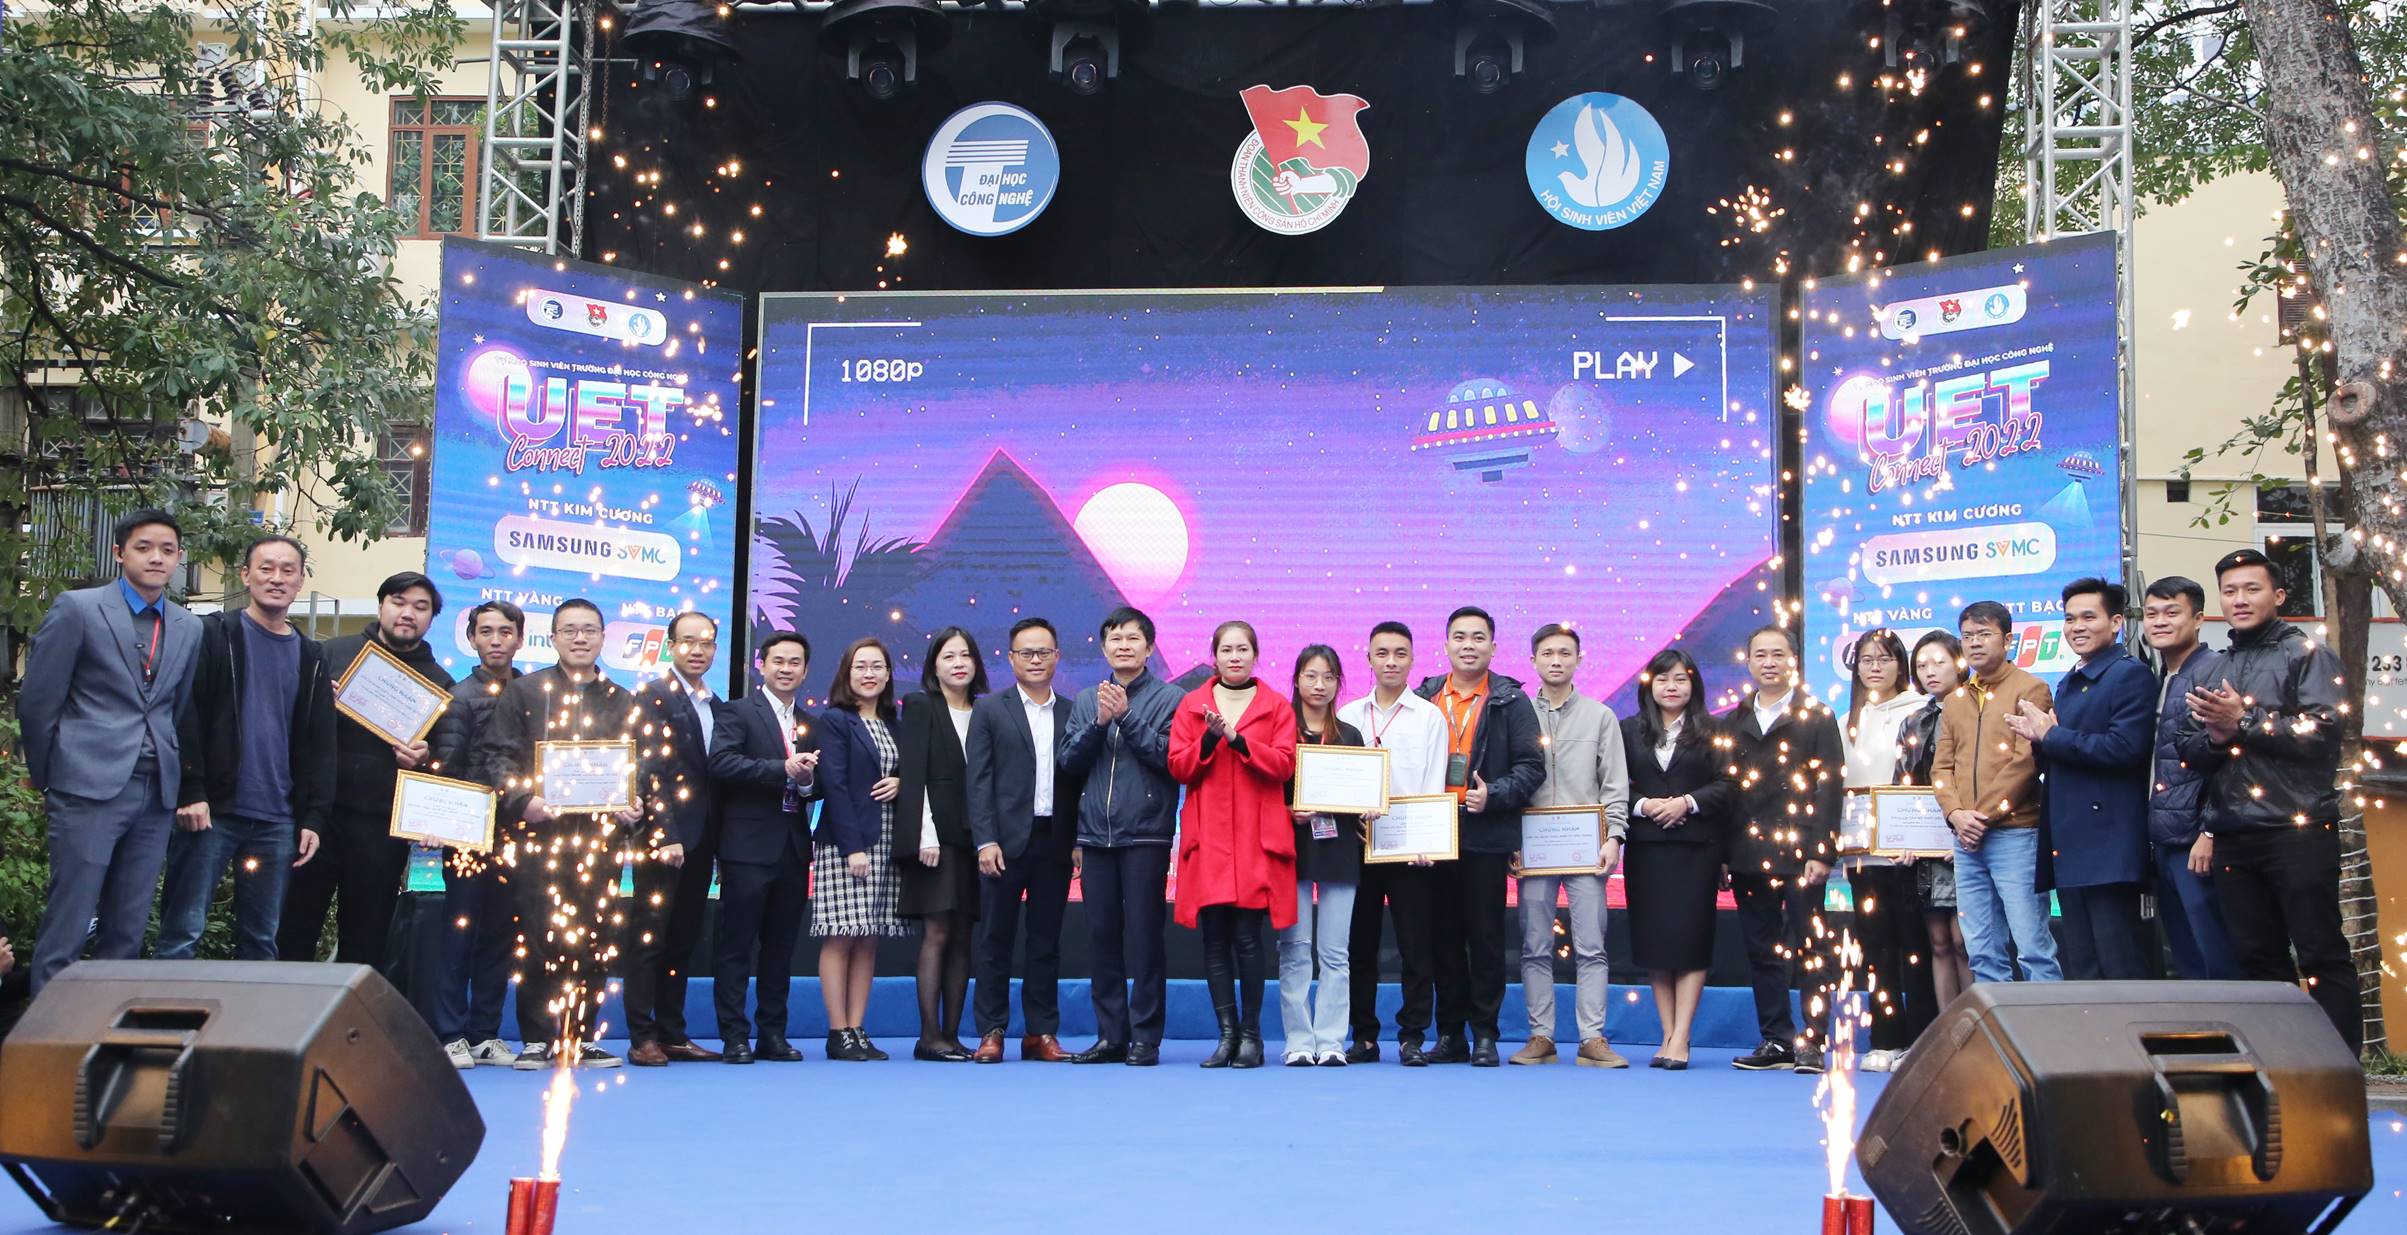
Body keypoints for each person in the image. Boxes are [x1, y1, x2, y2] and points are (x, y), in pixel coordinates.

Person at [2176, 549, 2360, 1054]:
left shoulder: (2307, 654)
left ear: (2278, 595)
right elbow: (2188, 750)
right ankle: (2283, 1066)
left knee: (2320, 954)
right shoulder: (2215, 666)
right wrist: (2218, 738)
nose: (2239, 599)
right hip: (2234, 834)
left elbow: (2324, 732)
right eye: (2230, 591)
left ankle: (2339, 1068)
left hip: (2298, 828)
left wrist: (2244, 722)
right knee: (2257, 959)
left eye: (2251, 589)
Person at [18, 509, 203, 992]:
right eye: (144, 547)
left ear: (179, 558)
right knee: (70, 918)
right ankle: (50, 1027)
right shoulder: (78, 608)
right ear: (119, 553)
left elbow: (176, 706)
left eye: (167, 550)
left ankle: (105, 1023)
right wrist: (50, 777)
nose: (156, 558)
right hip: (85, 785)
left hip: (155, 791)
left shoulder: (188, 626)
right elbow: (38, 702)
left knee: (128, 926)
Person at [477, 597, 637, 1070]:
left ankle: (580, 1036)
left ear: (603, 638)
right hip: (539, 837)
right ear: (553, 638)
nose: (579, 638)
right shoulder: (525, 692)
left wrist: (634, 803)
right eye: (569, 630)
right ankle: (537, 1037)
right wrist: (522, 800)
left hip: (600, 839)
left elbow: (641, 763)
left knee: (594, 935)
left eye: (589, 630)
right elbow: (497, 756)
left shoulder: (623, 699)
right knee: (537, 932)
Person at [158, 535, 334, 962]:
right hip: (213, 811)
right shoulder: (213, 635)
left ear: (301, 581)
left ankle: (250, 1012)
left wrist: (313, 816)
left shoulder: (311, 655)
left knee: (261, 942)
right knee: (182, 932)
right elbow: (186, 715)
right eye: (266, 568)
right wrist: (191, 790)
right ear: (246, 575)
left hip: (278, 819)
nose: (276, 578)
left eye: (287, 570)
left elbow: (321, 744)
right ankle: (165, 1006)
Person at [278, 570, 454, 969]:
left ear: (431, 619)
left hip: (381, 828)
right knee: (293, 929)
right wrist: (317, 704)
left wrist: (424, 759)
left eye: (420, 607)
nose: (407, 613)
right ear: (380, 606)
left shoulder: (440, 684)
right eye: (398, 602)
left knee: (366, 940)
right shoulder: (331, 653)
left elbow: (443, 760)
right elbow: (289, 724)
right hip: (316, 819)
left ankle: (351, 1012)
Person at [1414, 606, 1545, 1068]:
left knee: (1486, 939)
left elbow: (1532, 766)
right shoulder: (1425, 697)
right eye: (1459, 637)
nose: (1468, 646)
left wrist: (1495, 795)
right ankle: (1450, 1034)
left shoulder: (1511, 700)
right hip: (1431, 832)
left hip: (1485, 833)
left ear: (1493, 646)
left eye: (1477, 638)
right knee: (1442, 939)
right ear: (1446, 645)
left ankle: (1486, 1033)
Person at [2007, 578, 2157, 981]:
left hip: (2109, 845)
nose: (2077, 627)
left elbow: (2125, 748)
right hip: (2070, 841)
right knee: (2084, 967)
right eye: (2070, 618)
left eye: (2089, 617)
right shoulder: (2070, 680)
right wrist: (2038, 740)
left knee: (2118, 964)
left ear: (2116, 623)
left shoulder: (2129, 675)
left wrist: (2052, 736)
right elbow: (2062, 753)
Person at [1169, 621, 1299, 1069]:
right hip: (1210, 837)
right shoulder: (1192, 704)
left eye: (1243, 649)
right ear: (1215, 656)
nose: (1235, 657)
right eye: (1226, 650)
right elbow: (1179, 767)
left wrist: (1238, 740)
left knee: (1247, 938)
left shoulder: (1276, 705)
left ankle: (1251, 1036)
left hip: (1255, 839)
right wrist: (1208, 738)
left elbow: (1284, 765)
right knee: (1214, 939)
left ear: (1255, 655)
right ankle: (1226, 1035)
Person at [1058, 606, 1183, 1066]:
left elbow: (1170, 759)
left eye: (1133, 639)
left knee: (1145, 937)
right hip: (1095, 837)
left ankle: (1146, 1037)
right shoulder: (1086, 699)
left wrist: (1127, 719)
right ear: (1104, 647)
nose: (1124, 646)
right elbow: (1069, 762)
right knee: (1101, 936)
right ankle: (1111, 1035)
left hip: (1145, 835)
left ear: (1149, 648)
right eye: (1115, 638)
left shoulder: (1171, 698)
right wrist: (1099, 723)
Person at [1508, 624, 1632, 1069]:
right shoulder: (1517, 714)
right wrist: (1510, 841)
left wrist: (1614, 836)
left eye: (1565, 653)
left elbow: (1614, 784)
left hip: (1587, 849)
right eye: (1547, 653)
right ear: (1533, 661)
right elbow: (1510, 781)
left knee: (1592, 946)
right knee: (1534, 946)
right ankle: (1541, 1035)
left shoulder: (1600, 717)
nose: (1556, 660)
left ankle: (1592, 1038)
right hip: (1534, 849)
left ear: (1579, 659)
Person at [1723, 624, 1845, 1074]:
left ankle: (1812, 1041)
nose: (1769, 663)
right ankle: (1776, 1039)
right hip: (1747, 854)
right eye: (1761, 655)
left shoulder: (1816, 716)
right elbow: (1726, 792)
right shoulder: (1733, 720)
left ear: (1794, 660)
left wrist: (1821, 850)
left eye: (1778, 654)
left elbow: (1829, 786)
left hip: (1801, 854)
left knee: (1812, 948)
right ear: (1748, 661)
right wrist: (1724, 855)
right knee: (1762, 951)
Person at [966, 618, 1083, 1064]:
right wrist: (985, 841)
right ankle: (991, 1031)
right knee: (994, 940)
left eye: (1043, 652)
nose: (1036, 660)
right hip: (1003, 843)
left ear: (1057, 657)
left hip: (1055, 841)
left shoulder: (1072, 711)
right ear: (1011, 658)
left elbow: (1079, 782)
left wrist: (1078, 840)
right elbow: (978, 781)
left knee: (1046, 941)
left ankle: (1040, 1032)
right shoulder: (990, 710)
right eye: (1026, 652)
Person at [1932, 601, 2061, 985]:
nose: (1974, 643)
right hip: (1966, 840)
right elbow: (1941, 769)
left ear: (2007, 640)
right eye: (1967, 636)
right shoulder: (1955, 700)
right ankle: (1995, 1024)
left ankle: (2045, 1024)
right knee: (1981, 950)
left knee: (2033, 947)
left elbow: (2026, 764)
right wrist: (1956, 815)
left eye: (1984, 634)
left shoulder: (2031, 689)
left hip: (2015, 834)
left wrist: (1979, 818)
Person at [706, 631, 820, 1064]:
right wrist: (781, 768)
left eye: (795, 662)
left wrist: (806, 781)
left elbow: (815, 785)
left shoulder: (809, 722)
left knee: (780, 948)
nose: (786, 669)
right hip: (747, 847)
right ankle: (734, 1036)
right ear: (761, 665)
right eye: (778, 661)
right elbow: (721, 763)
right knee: (736, 946)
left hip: (793, 848)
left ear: (805, 671)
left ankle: (773, 1034)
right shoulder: (738, 712)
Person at [1340, 621, 1451, 1065]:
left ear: (1412, 659)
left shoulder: (1429, 716)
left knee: (1415, 946)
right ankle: (1364, 1036)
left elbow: (1434, 782)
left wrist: (1427, 839)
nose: (1390, 661)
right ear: (1368, 658)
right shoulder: (1348, 714)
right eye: (1382, 653)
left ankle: (1412, 1036)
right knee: (1359, 945)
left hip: (1410, 849)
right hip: (1357, 846)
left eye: (1400, 653)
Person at [624, 611, 727, 1067]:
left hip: (703, 839)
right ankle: (641, 1036)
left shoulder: (716, 705)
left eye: (706, 642)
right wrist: (665, 834)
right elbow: (650, 768)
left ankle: (672, 1034)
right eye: (688, 641)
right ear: (670, 647)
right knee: (650, 938)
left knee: (683, 939)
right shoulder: (652, 695)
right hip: (664, 841)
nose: (697, 650)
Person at [1622, 648, 1731, 1070]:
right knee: (1656, 945)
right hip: (1647, 850)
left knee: (1691, 942)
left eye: (1680, 679)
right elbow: (1613, 784)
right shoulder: (1628, 730)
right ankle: (1666, 1032)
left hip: (1696, 850)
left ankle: (1682, 1035)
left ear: (1693, 685)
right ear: (1649, 685)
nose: (1671, 687)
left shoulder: (1714, 730)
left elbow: (1728, 786)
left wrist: (1687, 802)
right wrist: (1645, 805)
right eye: (1663, 679)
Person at [428, 599, 525, 1069]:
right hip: (467, 831)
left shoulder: (532, 693)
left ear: (520, 639)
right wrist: (436, 820)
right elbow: (447, 767)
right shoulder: (458, 696)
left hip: (519, 833)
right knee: (459, 932)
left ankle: (485, 1033)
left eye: (505, 632)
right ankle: (450, 1033)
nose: (495, 641)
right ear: (471, 639)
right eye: (485, 632)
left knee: (501, 934)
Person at [813, 637, 917, 1061]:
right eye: (861, 666)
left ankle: (857, 1028)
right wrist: (852, 847)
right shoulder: (836, 720)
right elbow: (834, 785)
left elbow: (911, 772)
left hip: (888, 838)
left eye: (877, 666)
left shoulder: (895, 723)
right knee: (841, 934)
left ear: (888, 674)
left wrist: (903, 782)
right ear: (847, 673)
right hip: (848, 842)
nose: (869, 673)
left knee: (868, 937)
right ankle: (837, 1031)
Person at [1835, 628, 1927, 1073]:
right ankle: (1886, 1039)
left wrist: (1915, 837)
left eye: (1884, 659)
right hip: (1861, 854)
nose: (1875, 667)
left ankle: (1922, 1041)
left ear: (1900, 665)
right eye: (1866, 660)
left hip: (1909, 853)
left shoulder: (1921, 710)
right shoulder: (1846, 721)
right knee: (1875, 946)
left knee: (1917, 947)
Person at [2141, 576, 2240, 980]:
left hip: (2196, 841)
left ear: (2198, 619)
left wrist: (2210, 831)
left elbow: (2230, 760)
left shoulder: (2212, 671)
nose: (2159, 622)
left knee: (2215, 955)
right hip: (2165, 837)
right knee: (2186, 959)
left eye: (2172, 612)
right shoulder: (2162, 676)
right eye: (2151, 614)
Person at [895, 627, 986, 1062]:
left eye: (965, 655)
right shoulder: (920, 706)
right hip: (935, 840)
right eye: (948, 656)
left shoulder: (986, 711)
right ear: (934, 665)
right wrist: (925, 835)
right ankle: (929, 1036)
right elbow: (914, 774)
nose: (958, 663)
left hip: (974, 841)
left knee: (963, 935)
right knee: (937, 932)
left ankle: (952, 1035)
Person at [1280, 645, 1365, 1066]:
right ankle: (1298, 1041)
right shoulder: (1280, 732)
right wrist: (1288, 811)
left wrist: (1370, 804)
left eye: (1328, 677)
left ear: (1338, 683)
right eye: (1311, 676)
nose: (1319, 685)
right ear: (1296, 680)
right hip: (1291, 850)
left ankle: (1330, 1040)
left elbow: (1364, 790)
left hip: (1340, 849)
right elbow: (1263, 793)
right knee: (1295, 949)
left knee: (1335, 953)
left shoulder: (1350, 735)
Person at [1895, 632, 1973, 1014]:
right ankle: (1947, 1029)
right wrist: (1899, 837)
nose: (1930, 671)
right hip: (1925, 850)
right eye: (1922, 665)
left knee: (1965, 943)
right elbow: (1901, 786)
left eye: (1939, 662)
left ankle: (1978, 1029)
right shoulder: (1914, 722)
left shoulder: (1977, 711)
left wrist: (1965, 835)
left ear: (1959, 662)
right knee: (1939, 943)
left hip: (1969, 844)